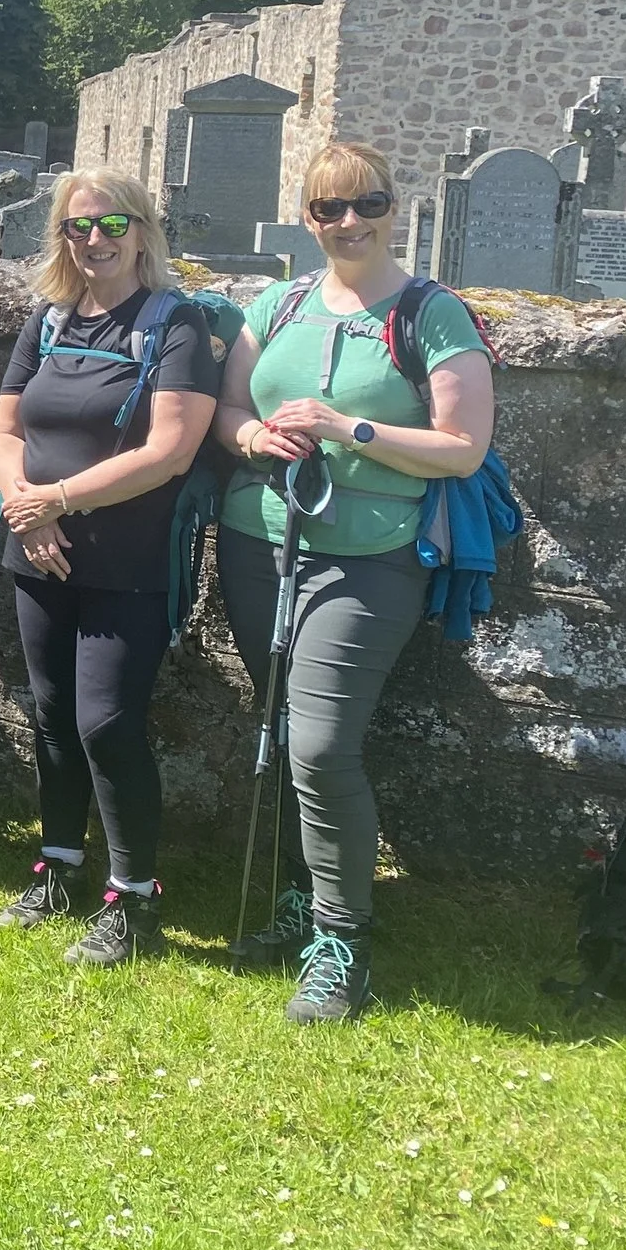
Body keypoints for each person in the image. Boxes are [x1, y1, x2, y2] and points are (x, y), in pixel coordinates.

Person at [211, 141, 494, 1025]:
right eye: (329, 209)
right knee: (283, 725)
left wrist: (349, 428)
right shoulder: (280, 300)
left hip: (369, 556)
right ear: (309, 217)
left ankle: (342, 943)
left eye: (366, 203)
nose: (349, 222)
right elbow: (229, 409)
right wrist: (258, 439)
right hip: (260, 540)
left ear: (392, 206)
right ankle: (299, 897)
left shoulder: (431, 312)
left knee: (323, 743)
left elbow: (464, 446)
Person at [0, 169, 218, 959]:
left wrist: (56, 498)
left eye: (112, 225)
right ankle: (60, 864)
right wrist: (25, 501)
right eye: (79, 227)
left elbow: (170, 450)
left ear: (143, 231)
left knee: (107, 724)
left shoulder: (173, 323)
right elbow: (4, 426)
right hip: (37, 550)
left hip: (130, 562)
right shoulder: (47, 320)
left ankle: (134, 897)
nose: (95, 240)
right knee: (50, 718)